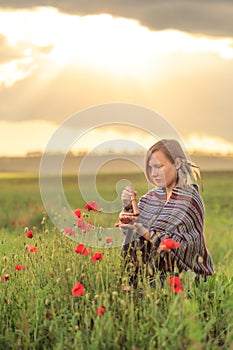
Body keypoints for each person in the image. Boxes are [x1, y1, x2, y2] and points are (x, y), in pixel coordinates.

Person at [119, 139, 214, 287]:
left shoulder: (189, 199)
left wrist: (144, 231)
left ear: (177, 164)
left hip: (185, 275)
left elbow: (185, 245)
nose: (153, 174)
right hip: (150, 271)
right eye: (150, 168)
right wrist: (127, 206)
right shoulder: (150, 198)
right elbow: (129, 231)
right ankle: (133, 285)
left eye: (158, 167)